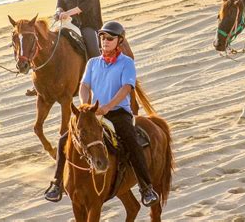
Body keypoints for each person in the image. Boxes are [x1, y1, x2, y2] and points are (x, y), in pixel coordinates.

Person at [44, 21, 159, 207]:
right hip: (94, 113)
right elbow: (84, 85)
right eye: (103, 38)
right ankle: (57, 184)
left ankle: (146, 188)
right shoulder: (92, 63)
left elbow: (127, 88)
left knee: (131, 141)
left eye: (110, 38)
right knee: (63, 140)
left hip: (118, 113)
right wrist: (85, 105)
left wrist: (108, 106)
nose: (105, 41)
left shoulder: (126, 63)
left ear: (119, 41)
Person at [26, 0, 103, 96]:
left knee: (93, 49)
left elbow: (88, 4)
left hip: (86, 23)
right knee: (45, 44)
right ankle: (39, 84)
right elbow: (60, 2)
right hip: (68, 23)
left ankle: (99, 77)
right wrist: (59, 11)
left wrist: (68, 12)